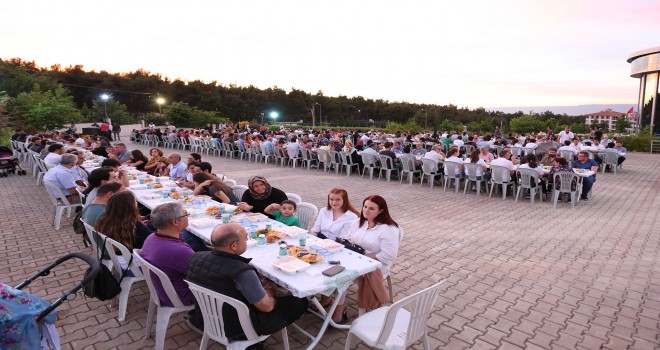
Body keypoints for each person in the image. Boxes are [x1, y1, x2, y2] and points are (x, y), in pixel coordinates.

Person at [186, 223, 309, 339]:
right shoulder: (242, 272)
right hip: (237, 329)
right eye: (245, 238)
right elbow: (266, 307)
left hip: (205, 317)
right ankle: (257, 342)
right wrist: (269, 293)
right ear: (233, 245)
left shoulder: (195, 257)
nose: (247, 241)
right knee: (299, 301)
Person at [332, 195, 400, 323]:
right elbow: (348, 238)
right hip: (354, 257)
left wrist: (364, 257)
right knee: (330, 268)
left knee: (340, 276)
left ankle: (338, 312)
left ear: (381, 211)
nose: (366, 211)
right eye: (365, 206)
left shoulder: (389, 229)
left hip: (375, 264)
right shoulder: (359, 222)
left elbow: (389, 255)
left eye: (371, 209)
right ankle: (327, 301)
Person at [140, 202, 196, 307]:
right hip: (180, 295)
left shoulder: (151, 237)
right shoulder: (179, 251)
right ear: (175, 222)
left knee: (195, 240)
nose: (188, 216)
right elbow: (203, 276)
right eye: (186, 214)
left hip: (162, 290)